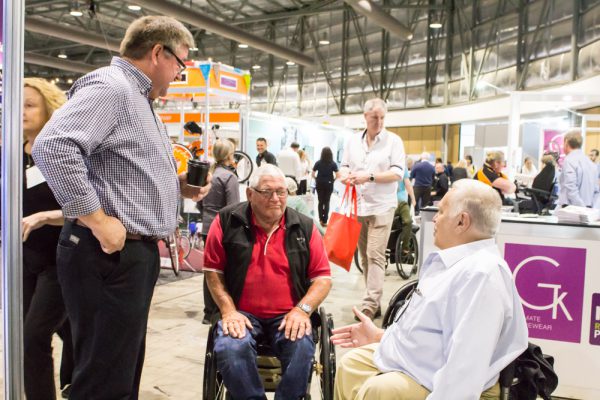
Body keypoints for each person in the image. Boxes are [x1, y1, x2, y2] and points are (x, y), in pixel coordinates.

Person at [32, 16, 211, 399]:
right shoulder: (112, 88)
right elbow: (54, 146)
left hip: (130, 254)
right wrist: (97, 220)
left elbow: (122, 170)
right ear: (158, 52)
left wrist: (175, 186)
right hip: (108, 252)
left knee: (120, 369)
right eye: (181, 64)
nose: (179, 75)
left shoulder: (138, 99)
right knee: (103, 379)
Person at [331, 179, 528, 400]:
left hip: (438, 376)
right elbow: (423, 329)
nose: (434, 218)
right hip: (418, 359)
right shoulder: (451, 262)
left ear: (462, 222)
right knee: (350, 366)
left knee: (378, 391)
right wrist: (380, 336)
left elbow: (465, 370)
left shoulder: (482, 275)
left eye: (441, 212)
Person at [203, 164, 332, 400]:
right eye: (267, 192)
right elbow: (213, 272)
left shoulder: (305, 226)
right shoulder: (226, 221)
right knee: (231, 347)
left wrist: (302, 310)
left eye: (281, 192)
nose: (276, 199)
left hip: (288, 315)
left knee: (302, 347)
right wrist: (228, 310)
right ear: (250, 194)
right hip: (242, 313)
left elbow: (323, 278)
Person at [21, 77, 74, 400]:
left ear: (48, 110)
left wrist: (46, 217)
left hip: (59, 261)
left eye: (29, 105)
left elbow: (84, 207)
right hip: (25, 261)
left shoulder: (58, 152)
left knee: (33, 338)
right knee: (67, 330)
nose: (21, 112)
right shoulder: (13, 152)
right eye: (18, 105)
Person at [340, 98, 405, 320]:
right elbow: (344, 166)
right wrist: (344, 176)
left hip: (382, 206)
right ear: (365, 117)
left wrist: (370, 176)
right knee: (365, 257)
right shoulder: (352, 141)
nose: (378, 121)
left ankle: (369, 303)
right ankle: (374, 301)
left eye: (382, 117)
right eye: (374, 117)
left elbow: (398, 172)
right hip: (359, 205)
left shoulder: (393, 141)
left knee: (375, 255)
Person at [198, 139, 240, 324]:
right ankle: (220, 309)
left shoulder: (208, 174)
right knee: (224, 270)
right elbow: (234, 207)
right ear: (230, 155)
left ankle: (208, 312)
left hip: (206, 226)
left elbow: (198, 201)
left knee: (210, 269)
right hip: (223, 228)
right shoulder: (229, 177)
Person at [558, 132, 599, 208]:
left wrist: (581, 207)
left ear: (566, 143)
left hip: (572, 208)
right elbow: (596, 189)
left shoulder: (569, 160)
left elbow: (570, 186)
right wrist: (590, 208)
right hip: (588, 206)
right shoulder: (591, 164)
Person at [312, 146, 339, 227]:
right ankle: (325, 221)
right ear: (331, 154)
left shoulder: (318, 163)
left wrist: (316, 179)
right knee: (327, 202)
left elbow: (312, 174)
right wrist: (333, 180)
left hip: (319, 183)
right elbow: (338, 175)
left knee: (320, 202)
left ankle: (320, 219)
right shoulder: (333, 163)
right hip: (329, 184)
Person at [393, 164, 416, 255]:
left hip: (394, 202)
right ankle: (405, 247)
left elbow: (408, 184)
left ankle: (404, 246)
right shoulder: (402, 166)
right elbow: (408, 185)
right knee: (408, 222)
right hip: (397, 202)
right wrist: (413, 199)